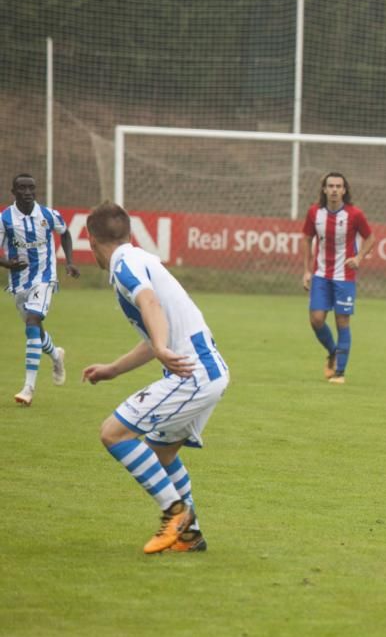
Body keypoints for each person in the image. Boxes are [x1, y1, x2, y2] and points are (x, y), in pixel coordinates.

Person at [82, 201, 229, 554]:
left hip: (191, 373)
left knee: (114, 434)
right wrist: (114, 369)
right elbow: (153, 329)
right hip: (207, 370)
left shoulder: (123, 265)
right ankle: (191, 536)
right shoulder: (141, 258)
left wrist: (162, 348)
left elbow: (150, 305)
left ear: (90, 241)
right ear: (128, 233)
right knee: (161, 454)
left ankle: (174, 513)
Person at [0, 173, 79, 406]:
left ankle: (28, 388)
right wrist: (7, 264)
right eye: (22, 188)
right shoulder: (5, 218)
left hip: (45, 277)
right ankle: (56, 355)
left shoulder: (48, 215)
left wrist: (70, 261)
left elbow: (65, 232)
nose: (27, 192)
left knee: (33, 322)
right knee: (35, 331)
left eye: (31, 188)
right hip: (18, 282)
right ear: (13, 192)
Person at [302, 172, 375, 384]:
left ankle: (340, 373)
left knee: (342, 321)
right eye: (330, 186)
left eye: (338, 186)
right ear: (324, 189)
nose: (334, 190)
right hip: (321, 275)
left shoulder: (354, 214)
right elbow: (306, 239)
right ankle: (333, 352)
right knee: (316, 320)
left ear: (344, 190)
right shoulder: (314, 213)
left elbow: (370, 237)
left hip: (345, 277)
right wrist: (306, 271)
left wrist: (359, 257)